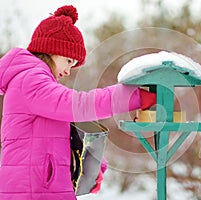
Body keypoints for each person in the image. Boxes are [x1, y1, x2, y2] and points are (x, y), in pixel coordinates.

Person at [0, 5, 156, 200]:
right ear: (51, 50)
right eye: (68, 61)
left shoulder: (33, 82)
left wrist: (92, 164)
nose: (68, 71)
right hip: (32, 191)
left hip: (39, 188)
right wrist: (134, 96)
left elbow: (58, 136)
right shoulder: (31, 80)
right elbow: (80, 105)